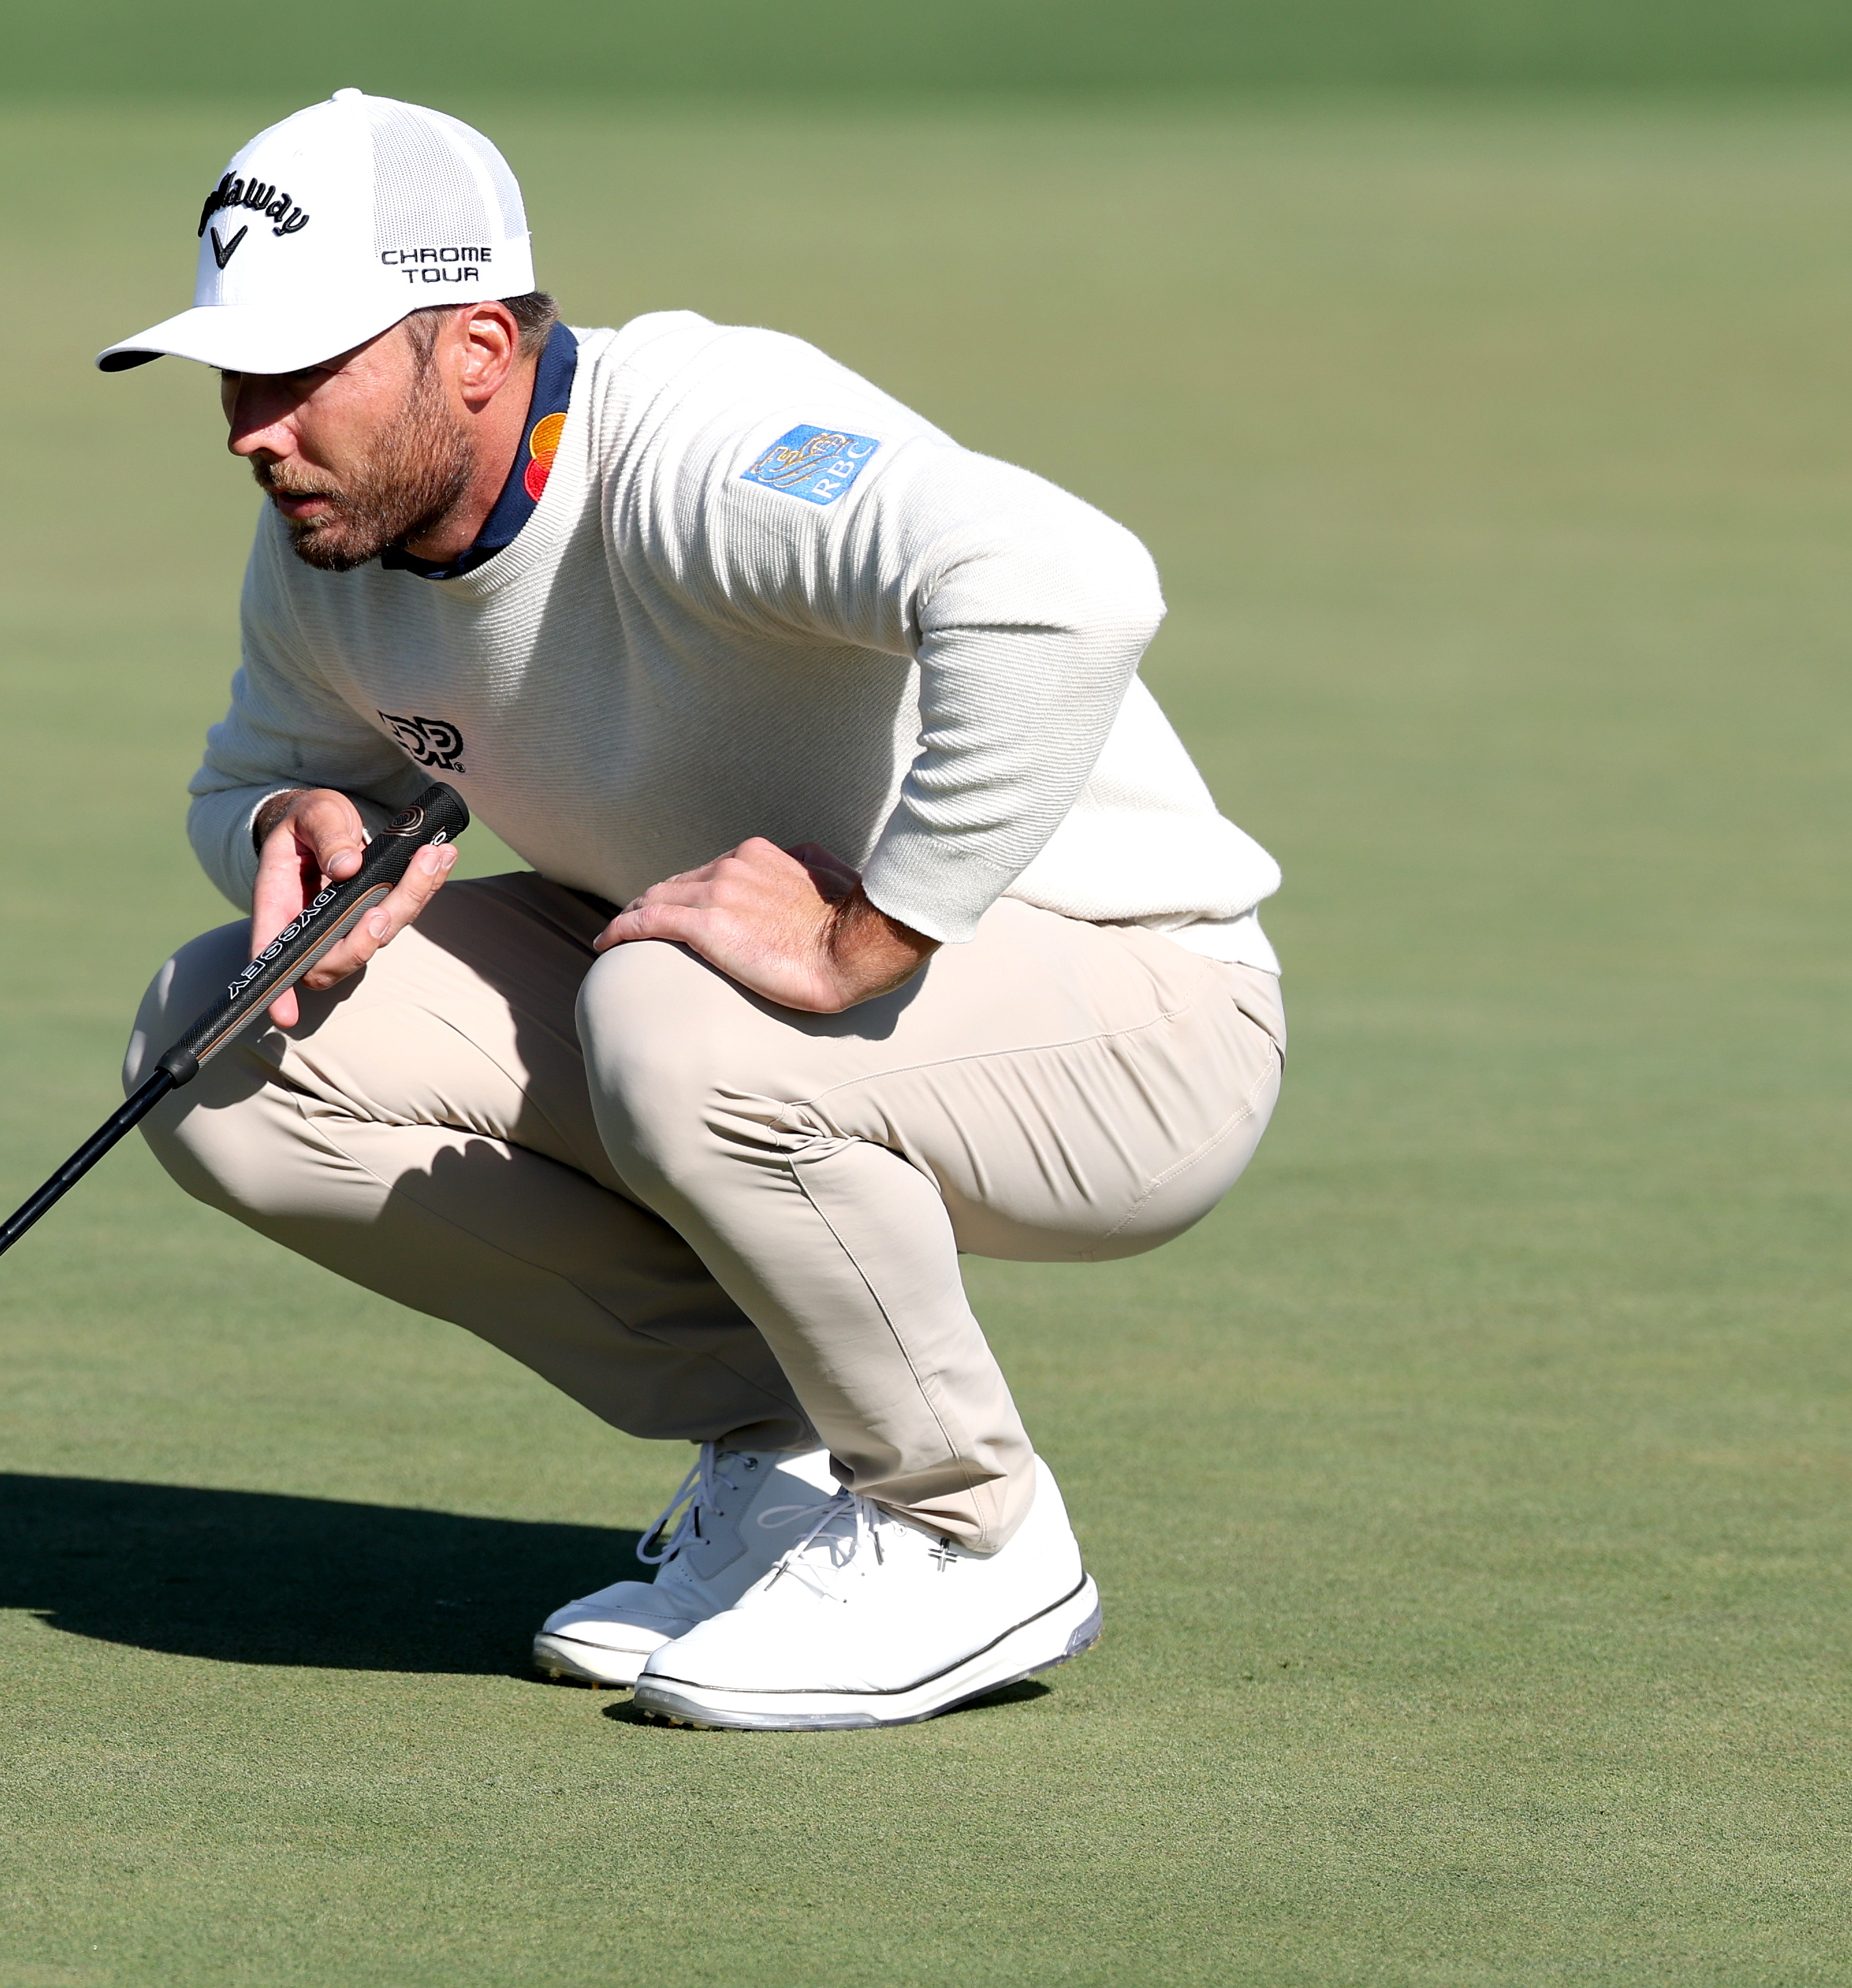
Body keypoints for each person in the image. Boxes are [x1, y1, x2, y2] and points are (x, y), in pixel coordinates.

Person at [97, 91, 1285, 1730]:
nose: (252, 426)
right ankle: (795, 1461)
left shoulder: (707, 446)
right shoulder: (325, 549)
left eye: (303, 370)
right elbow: (249, 784)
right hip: (716, 1007)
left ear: (479, 347)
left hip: (1144, 1023)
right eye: (235, 373)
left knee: (667, 1010)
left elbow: (1067, 588)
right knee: (219, 1041)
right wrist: (285, 829)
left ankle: (968, 1530)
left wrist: (878, 930)